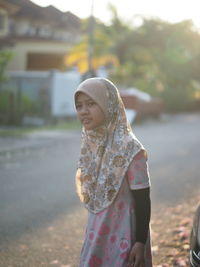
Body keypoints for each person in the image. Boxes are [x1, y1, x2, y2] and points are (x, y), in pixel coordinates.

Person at [74, 77, 152, 267]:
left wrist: (140, 242)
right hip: (97, 235)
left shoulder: (130, 148)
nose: (83, 111)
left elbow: (143, 198)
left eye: (91, 104)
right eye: (79, 106)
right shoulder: (92, 143)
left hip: (125, 237)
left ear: (108, 105)